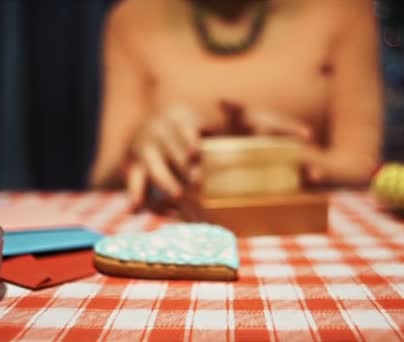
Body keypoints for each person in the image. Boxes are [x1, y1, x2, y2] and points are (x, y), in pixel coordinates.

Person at [89, 0, 383, 208]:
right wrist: (137, 146)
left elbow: (361, 165)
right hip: (177, 220)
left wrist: (283, 157)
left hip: (301, 227)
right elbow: (102, 178)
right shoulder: (130, 18)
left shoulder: (344, 8)